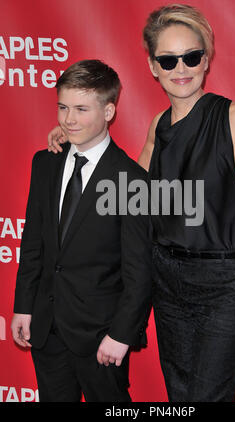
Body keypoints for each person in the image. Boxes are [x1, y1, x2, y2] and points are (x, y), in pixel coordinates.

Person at [47, 4, 235, 402]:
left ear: (206, 60)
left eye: (191, 57)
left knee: (208, 396)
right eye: (168, 60)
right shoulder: (159, 125)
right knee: (179, 397)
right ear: (153, 67)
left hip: (225, 286)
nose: (181, 69)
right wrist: (80, 133)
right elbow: (124, 190)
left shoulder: (234, 118)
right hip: (167, 285)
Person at [11, 59, 152, 402]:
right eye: (62, 107)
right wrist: (24, 306)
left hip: (101, 336)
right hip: (47, 329)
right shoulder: (45, 163)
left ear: (108, 111)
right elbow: (33, 245)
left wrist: (121, 334)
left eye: (80, 109)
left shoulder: (131, 180)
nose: (68, 119)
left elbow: (140, 269)